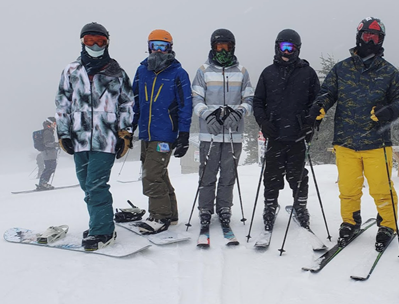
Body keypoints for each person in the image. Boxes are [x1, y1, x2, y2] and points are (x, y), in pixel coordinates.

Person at [309, 17, 399, 250]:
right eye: (367, 36)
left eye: (376, 37)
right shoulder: (342, 69)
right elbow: (327, 93)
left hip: (377, 142)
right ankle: (349, 222)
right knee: (348, 189)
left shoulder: (389, 72)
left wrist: (390, 110)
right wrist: (319, 106)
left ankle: (387, 224)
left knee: (381, 189)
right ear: (358, 37)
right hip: (345, 141)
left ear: (381, 41)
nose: (370, 41)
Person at [55, 22, 134, 251]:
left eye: (100, 41)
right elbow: (62, 103)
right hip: (79, 138)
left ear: (107, 43)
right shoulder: (71, 70)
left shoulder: (116, 72)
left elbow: (127, 103)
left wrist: (124, 133)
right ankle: (99, 222)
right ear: (82, 42)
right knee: (86, 186)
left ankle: (103, 232)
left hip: (105, 138)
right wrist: (63, 132)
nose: (95, 45)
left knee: (96, 184)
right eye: (90, 40)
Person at [253, 29, 320, 231]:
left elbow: (317, 103)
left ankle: (300, 207)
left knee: (298, 175)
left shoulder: (308, 73)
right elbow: (258, 102)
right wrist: (263, 123)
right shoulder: (268, 73)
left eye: (291, 48)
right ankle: (270, 206)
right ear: (276, 47)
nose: (287, 52)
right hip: (274, 134)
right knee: (272, 174)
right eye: (283, 47)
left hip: (298, 136)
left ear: (298, 50)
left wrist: (311, 125)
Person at [191, 28, 254, 239]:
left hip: (233, 135)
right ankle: (205, 209)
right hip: (209, 135)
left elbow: (249, 100)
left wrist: (239, 113)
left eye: (226, 46)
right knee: (207, 175)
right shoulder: (203, 71)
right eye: (219, 46)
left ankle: (224, 208)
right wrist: (207, 116)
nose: (223, 50)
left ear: (233, 47)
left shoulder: (242, 71)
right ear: (212, 47)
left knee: (228, 175)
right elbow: (196, 99)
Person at [131, 29, 193, 234]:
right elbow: (136, 101)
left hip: (166, 133)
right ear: (149, 47)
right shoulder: (142, 71)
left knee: (151, 175)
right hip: (147, 133)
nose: (158, 50)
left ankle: (159, 217)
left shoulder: (178, 73)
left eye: (163, 46)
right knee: (160, 174)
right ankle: (171, 214)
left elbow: (185, 105)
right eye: (154, 46)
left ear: (170, 48)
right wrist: (131, 126)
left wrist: (183, 134)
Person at [36, 117, 59, 190]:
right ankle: (43, 183)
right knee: (49, 168)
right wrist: (57, 144)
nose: (55, 125)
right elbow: (47, 144)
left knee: (50, 168)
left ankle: (43, 182)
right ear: (50, 123)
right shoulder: (47, 132)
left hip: (49, 153)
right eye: (54, 123)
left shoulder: (49, 131)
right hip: (48, 153)